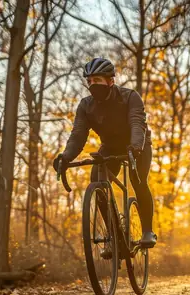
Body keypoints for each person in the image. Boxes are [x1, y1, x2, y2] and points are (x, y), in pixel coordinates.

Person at [53, 57, 157, 248]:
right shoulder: (86, 106)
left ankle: (148, 231)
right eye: (90, 81)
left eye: (98, 80)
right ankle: (113, 236)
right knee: (97, 181)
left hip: (138, 145)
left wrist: (135, 147)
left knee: (138, 180)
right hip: (110, 146)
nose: (93, 85)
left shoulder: (130, 96)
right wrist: (65, 157)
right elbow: (78, 134)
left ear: (110, 81)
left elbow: (137, 123)